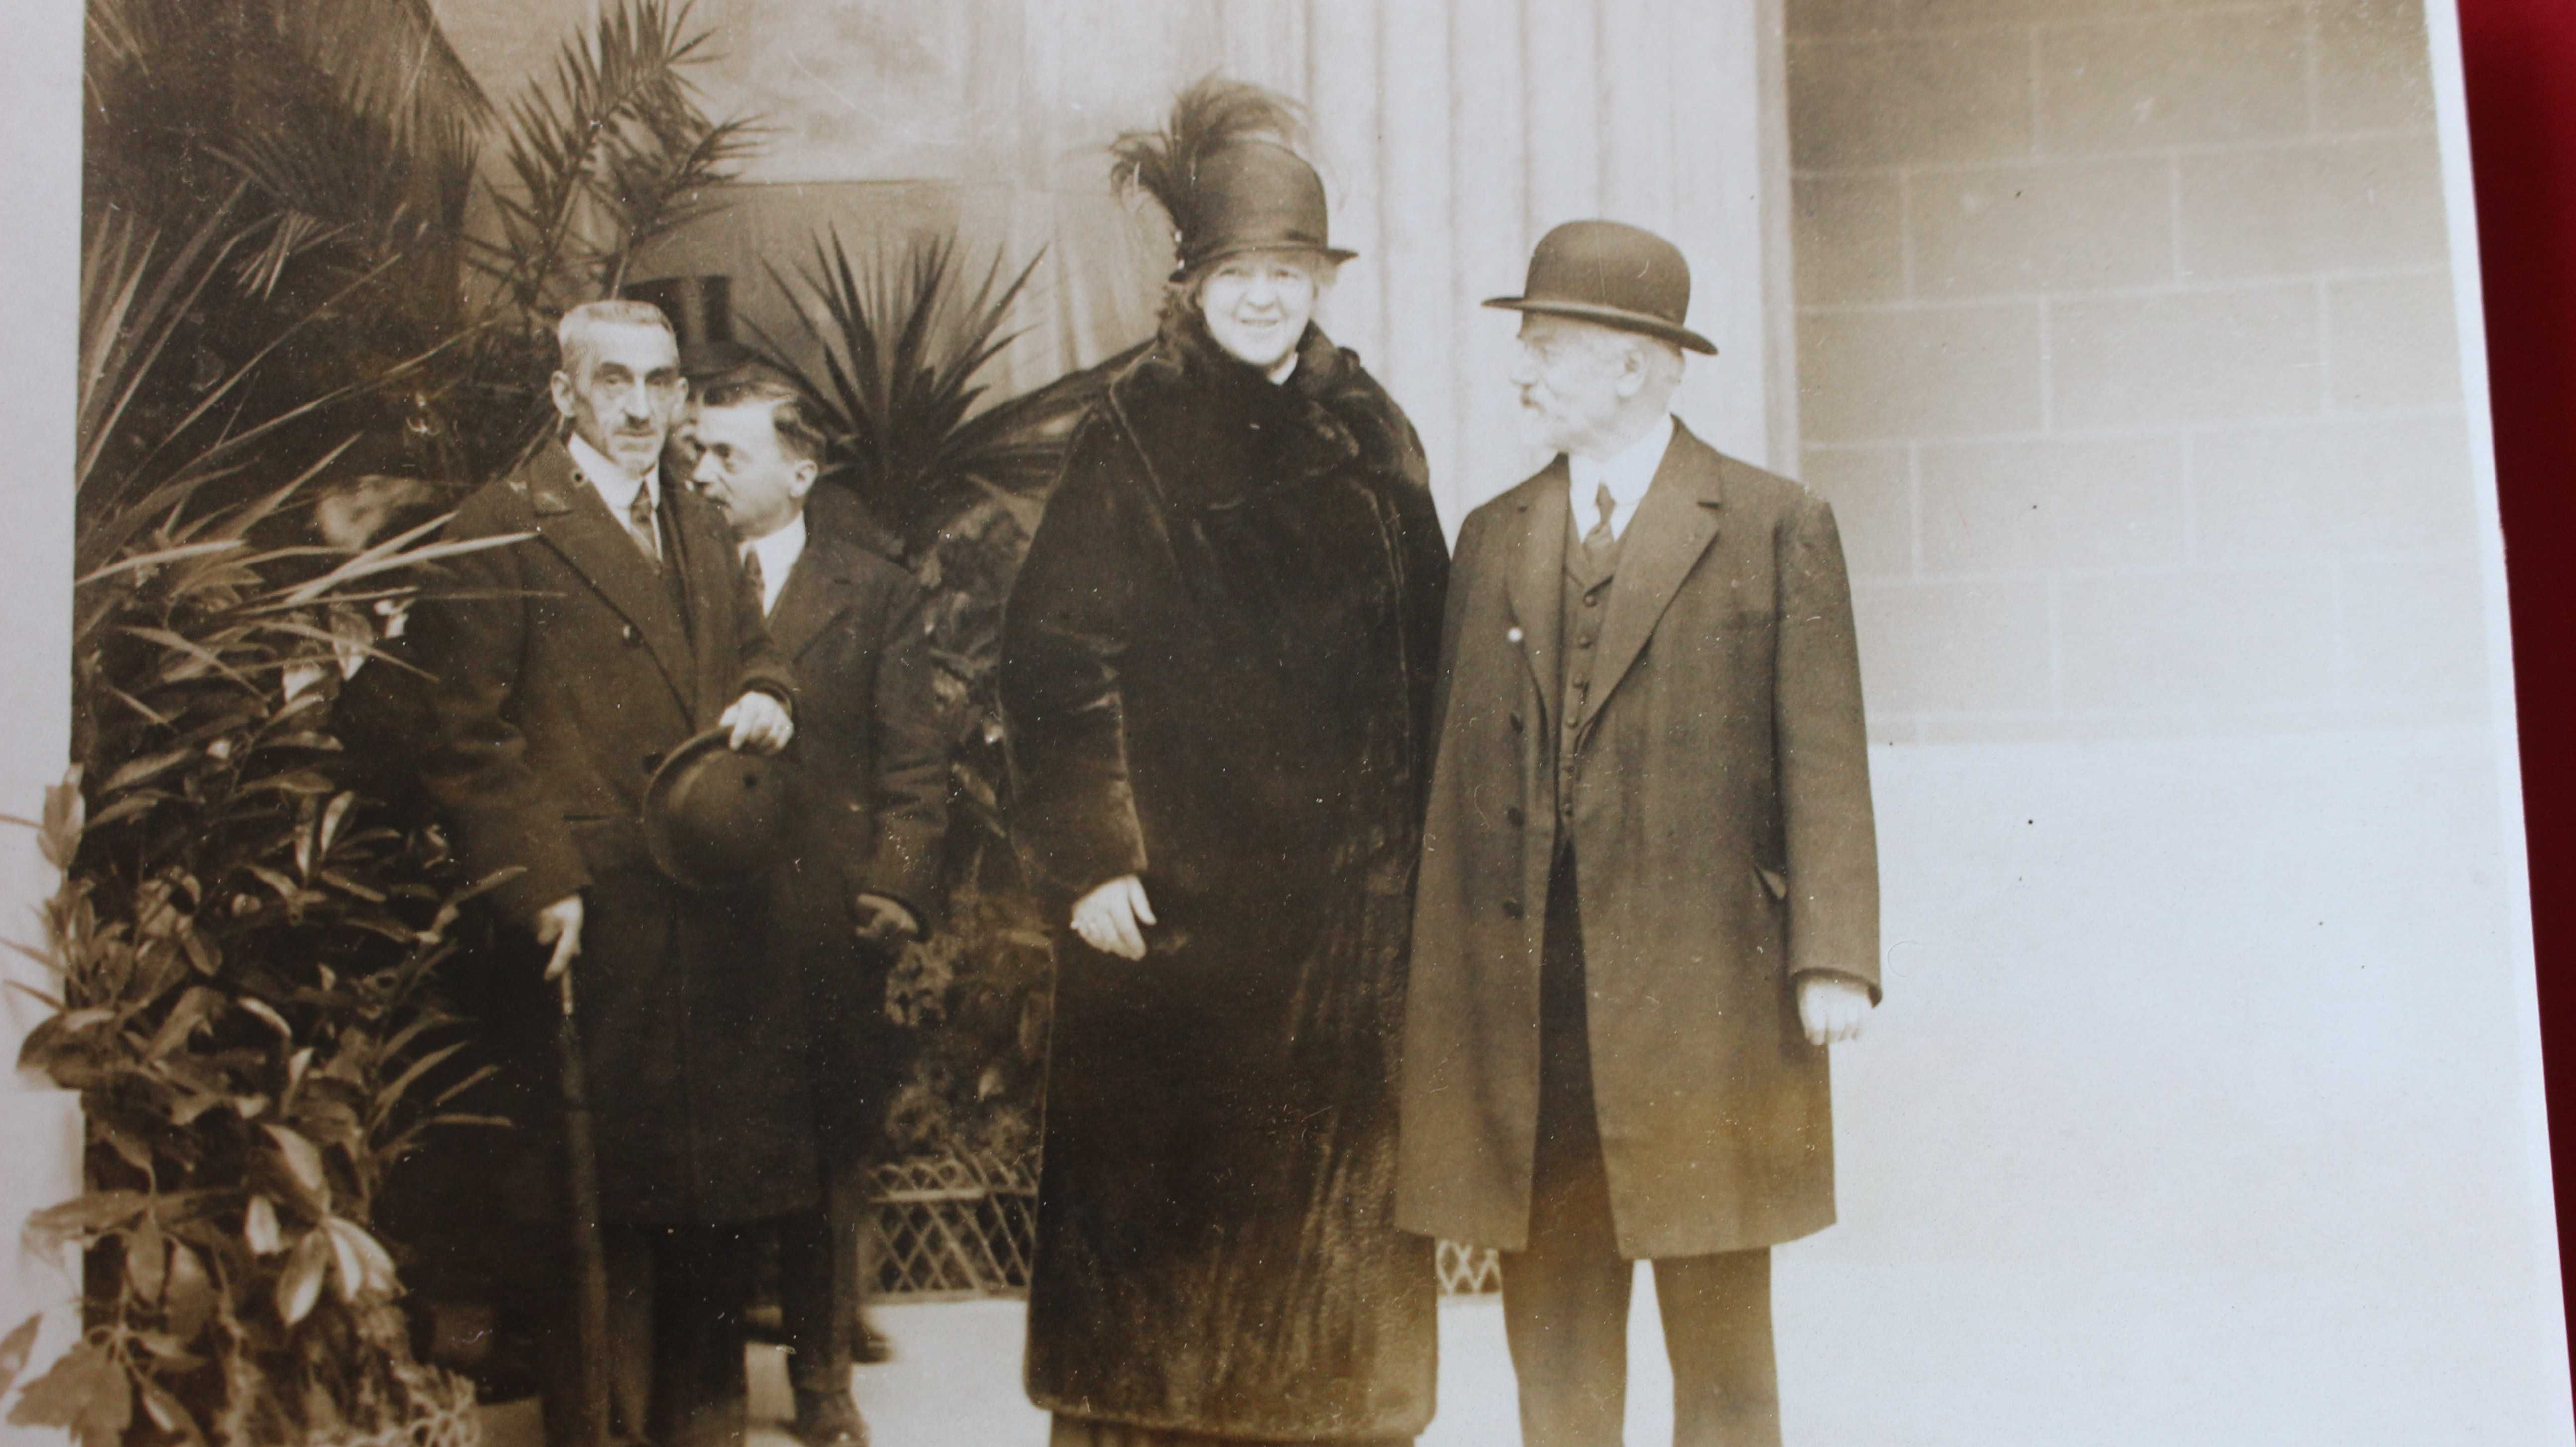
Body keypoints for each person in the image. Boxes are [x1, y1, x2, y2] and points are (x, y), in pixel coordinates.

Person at [998, 77, 1450, 1447]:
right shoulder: (1134, 430)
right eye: (1241, 271)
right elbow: (1053, 656)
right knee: (1171, 1304)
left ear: (1322, 282)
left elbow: (1429, 655)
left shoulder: (1370, 425)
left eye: (1291, 271)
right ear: (1192, 281)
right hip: (1182, 933)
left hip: (1349, 934)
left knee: (1331, 1289)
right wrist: (1095, 859)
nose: (1266, 296)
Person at [1392, 220, 1883, 1447]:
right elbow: (1452, 779)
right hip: (1534, 1005)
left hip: (1706, 995)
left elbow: (1824, 756)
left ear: (1631, 363)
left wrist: (1833, 956)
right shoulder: (1494, 534)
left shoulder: (1774, 523)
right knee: (1552, 1322)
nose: (1520, 371)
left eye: (1545, 346)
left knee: (1720, 1326)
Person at [410, 299, 808, 1447]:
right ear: (564, 395)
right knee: (595, 1225)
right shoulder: (499, 526)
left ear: (684, 394)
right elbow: (465, 740)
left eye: (660, 382)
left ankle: (701, 1431)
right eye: (614, 383)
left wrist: (772, 693)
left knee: (707, 1209)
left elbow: (758, 643)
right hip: (592, 919)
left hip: (710, 912)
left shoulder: (698, 519)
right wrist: (540, 880)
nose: (640, 408)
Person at [689, 374, 950, 1447]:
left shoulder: (875, 591)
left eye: (727, 457)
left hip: (822, 924)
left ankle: (822, 1384)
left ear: (800, 472)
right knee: (704, 1158)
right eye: (693, 455)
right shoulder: (677, 572)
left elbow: (917, 762)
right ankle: (704, 1390)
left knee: (822, 1162)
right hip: (699, 913)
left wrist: (891, 884)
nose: (701, 475)